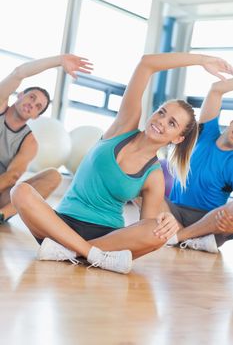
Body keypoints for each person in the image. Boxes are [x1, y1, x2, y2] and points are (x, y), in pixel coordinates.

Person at [10, 52, 233, 274]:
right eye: (161, 112)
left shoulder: (154, 175)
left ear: (177, 139)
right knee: (21, 192)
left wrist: (165, 222)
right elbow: (146, 63)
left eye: (171, 123)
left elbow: (146, 228)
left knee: (158, 230)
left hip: (108, 236)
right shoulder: (124, 126)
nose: (160, 121)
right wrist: (202, 60)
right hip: (60, 225)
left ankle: (70, 252)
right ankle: (88, 254)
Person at [0, 54, 93, 224]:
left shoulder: (29, 142)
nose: (32, 105)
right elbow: (18, 73)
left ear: (36, 116)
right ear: (20, 95)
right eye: (31, 98)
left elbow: (11, 176)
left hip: (1, 192)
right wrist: (58, 61)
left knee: (54, 176)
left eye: (38, 107)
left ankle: (2, 216)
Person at [161, 78, 233, 253]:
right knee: (139, 181)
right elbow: (216, 89)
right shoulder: (207, 132)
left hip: (208, 222)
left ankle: (179, 237)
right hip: (173, 211)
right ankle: (189, 238)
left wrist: (230, 225)